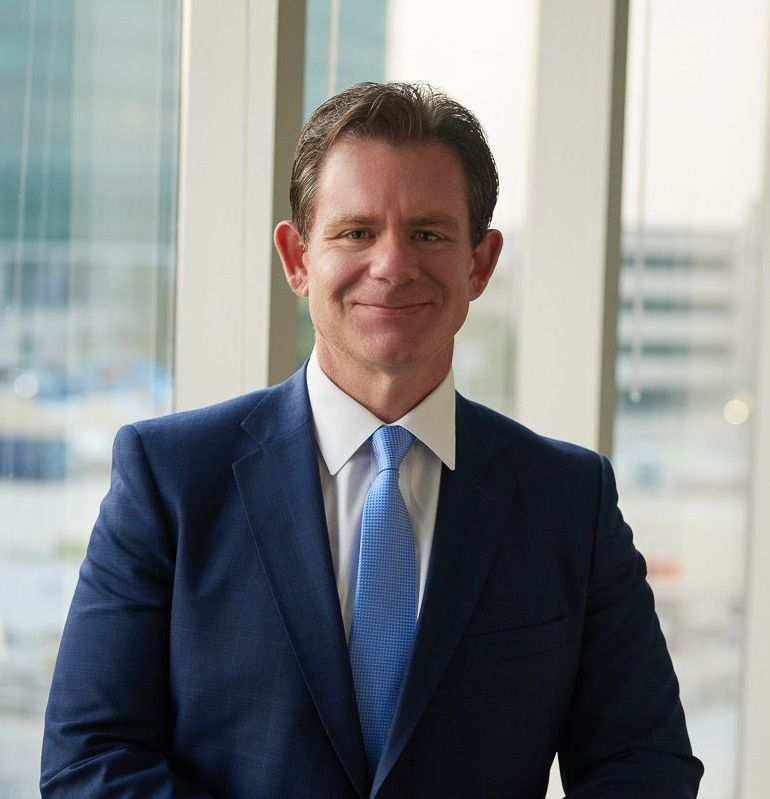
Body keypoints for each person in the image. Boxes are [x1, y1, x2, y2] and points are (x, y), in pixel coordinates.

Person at [41, 82, 703, 798]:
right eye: (356, 231)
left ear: (479, 262)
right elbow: (90, 762)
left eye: (428, 233)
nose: (392, 265)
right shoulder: (169, 478)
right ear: (297, 258)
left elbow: (646, 765)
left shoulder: (570, 501)